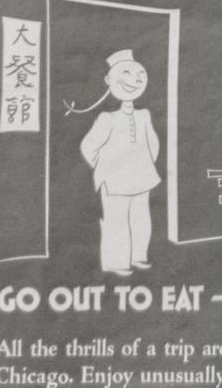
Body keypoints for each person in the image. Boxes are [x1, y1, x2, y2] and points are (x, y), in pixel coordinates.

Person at [76, 50, 161, 275]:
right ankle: (116, 262)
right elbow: (88, 146)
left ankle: (139, 256)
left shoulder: (144, 115)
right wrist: (106, 167)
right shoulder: (107, 118)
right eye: (127, 73)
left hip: (142, 176)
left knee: (141, 217)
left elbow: (153, 143)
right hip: (115, 180)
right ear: (109, 81)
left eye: (140, 74)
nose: (136, 79)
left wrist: (144, 164)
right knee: (117, 220)